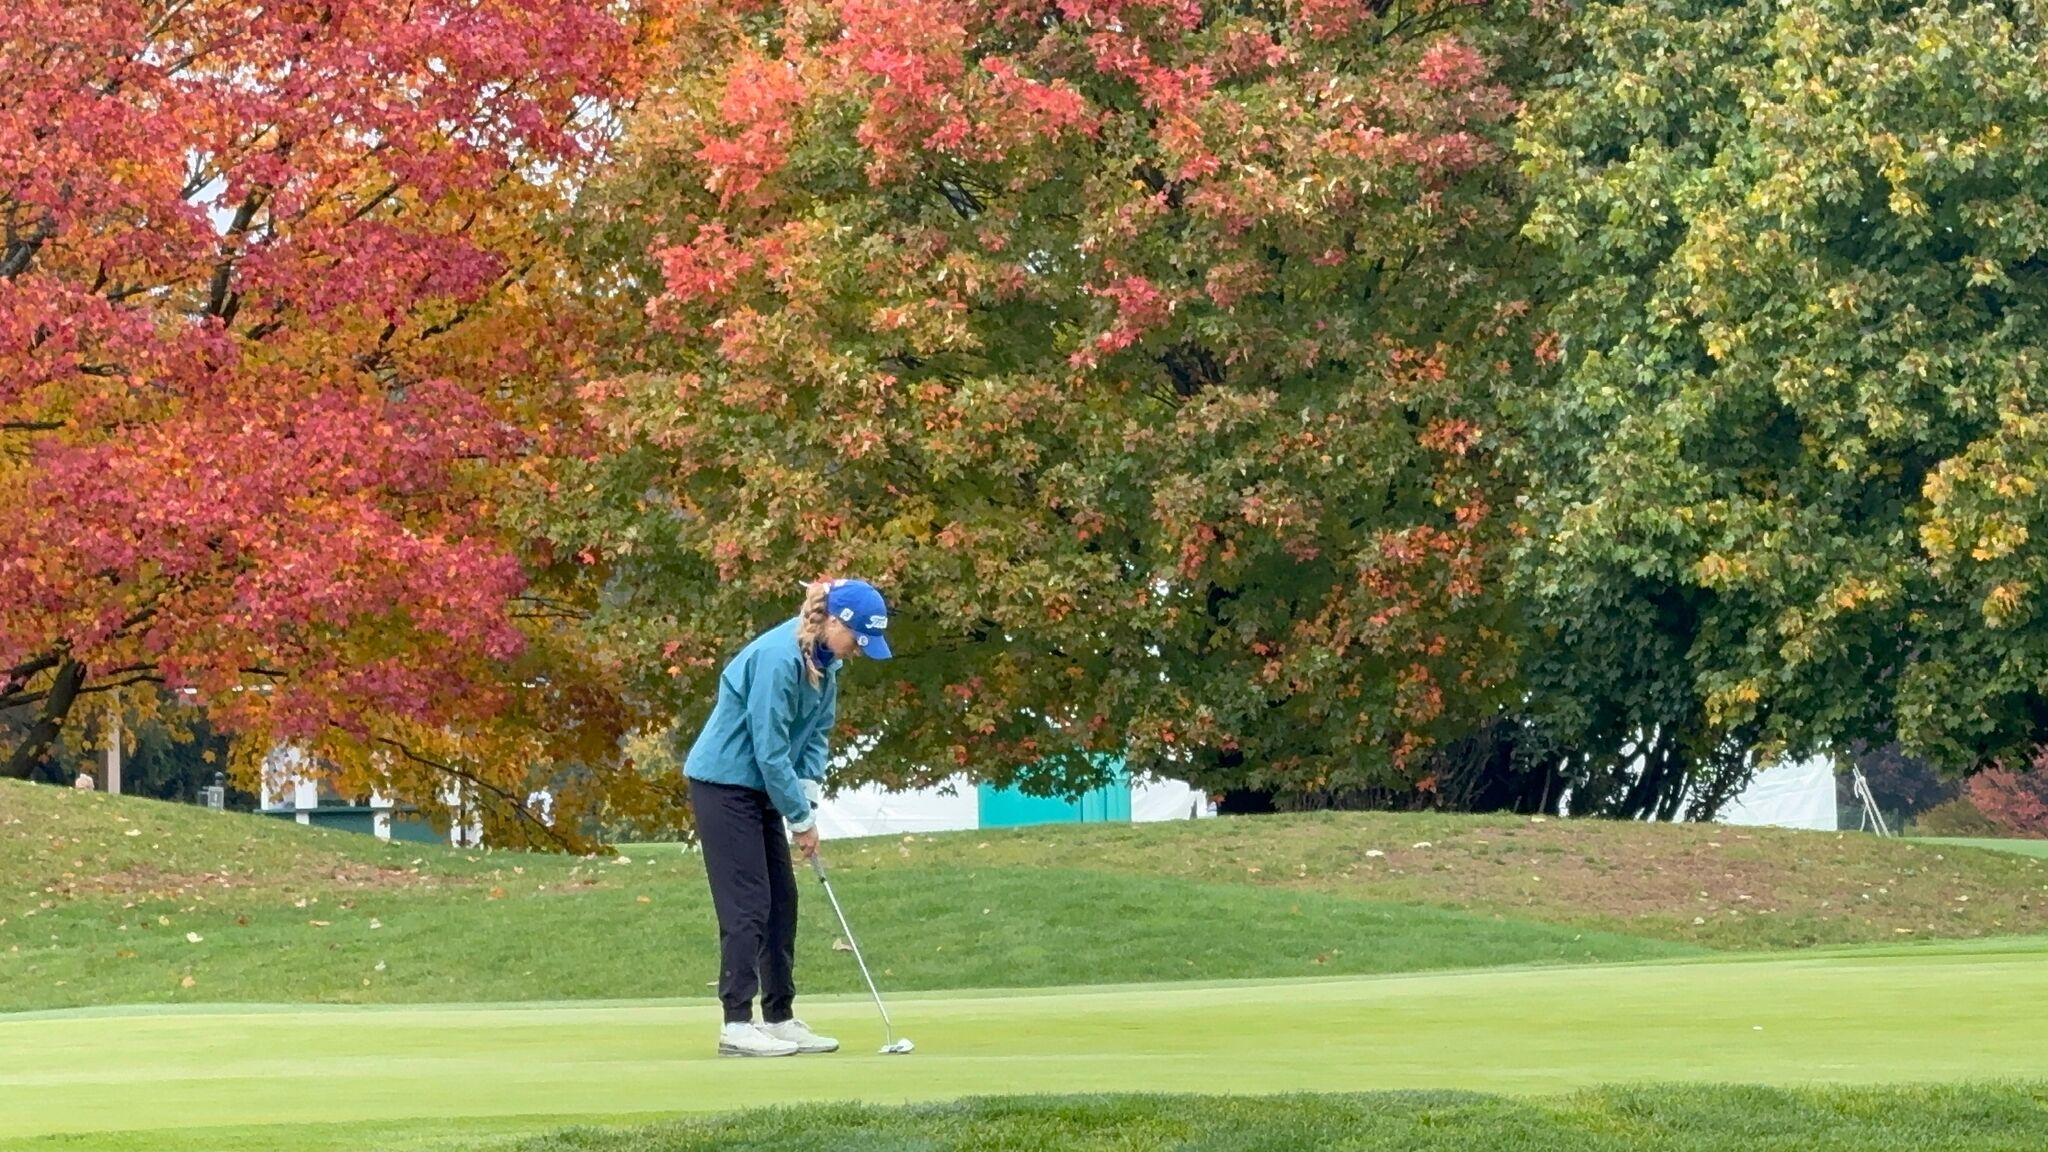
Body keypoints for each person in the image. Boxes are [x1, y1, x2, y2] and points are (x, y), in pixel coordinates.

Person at [682, 577, 892, 1058]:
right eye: (857, 639)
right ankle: (737, 1023)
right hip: (724, 783)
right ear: (834, 622)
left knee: (782, 901)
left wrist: (809, 795)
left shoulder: (827, 660)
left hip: (760, 785)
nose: (858, 651)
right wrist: (799, 819)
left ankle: (778, 1017)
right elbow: (769, 747)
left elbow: (817, 734)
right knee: (748, 904)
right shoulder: (780, 658)